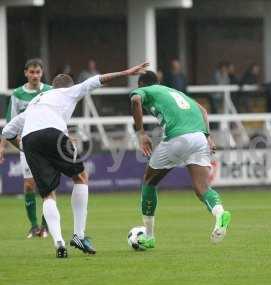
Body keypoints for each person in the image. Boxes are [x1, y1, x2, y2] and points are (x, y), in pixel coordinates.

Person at [2, 62, 149, 258]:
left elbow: (7, 131)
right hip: (53, 134)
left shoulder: (36, 101)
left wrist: (23, 147)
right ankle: (79, 235)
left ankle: (59, 243)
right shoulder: (69, 92)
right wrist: (126, 72)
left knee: (47, 194)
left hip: (30, 140)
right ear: (68, 87)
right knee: (80, 176)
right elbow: (97, 80)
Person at [129, 71, 231, 250]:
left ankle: (149, 236)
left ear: (142, 84)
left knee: (149, 182)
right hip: (199, 137)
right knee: (202, 188)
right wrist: (208, 136)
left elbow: (135, 101)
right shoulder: (175, 92)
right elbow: (203, 110)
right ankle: (220, 214)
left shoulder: (145, 90)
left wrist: (141, 133)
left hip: (178, 138)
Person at [0, 58, 52, 239]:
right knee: (29, 185)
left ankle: (47, 226)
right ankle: (33, 226)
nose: (35, 75)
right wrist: (2, 146)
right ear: (26, 73)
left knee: (48, 185)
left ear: (42, 73)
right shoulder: (17, 95)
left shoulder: (49, 91)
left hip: (47, 145)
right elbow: (9, 124)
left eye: (38, 72)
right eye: (32, 72)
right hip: (27, 146)